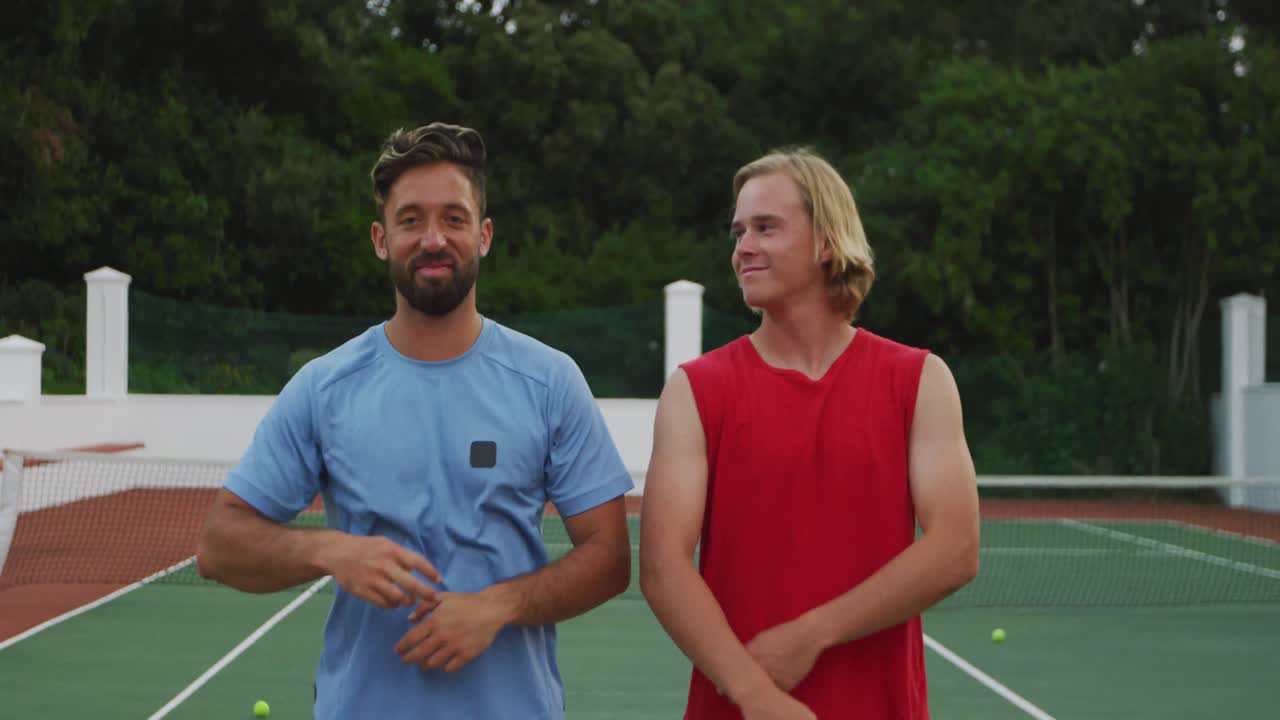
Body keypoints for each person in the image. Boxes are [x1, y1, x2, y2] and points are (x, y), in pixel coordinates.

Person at [196, 122, 634, 719]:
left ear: (484, 236)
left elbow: (609, 557)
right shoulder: (324, 388)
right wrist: (331, 552)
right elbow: (218, 546)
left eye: (454, 218)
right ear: (381, 238)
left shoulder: (549, 382)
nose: (433, 238)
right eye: (411, 220)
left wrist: (497, 606)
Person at [639, 148, 980, 719]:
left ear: (826, 241)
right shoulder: (696, 390)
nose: (742, 246)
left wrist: (813, 633)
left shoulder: (919, 379)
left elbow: (956, 551)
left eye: (765, 228)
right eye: (738, 230)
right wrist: (756, 696)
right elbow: (662, 567)